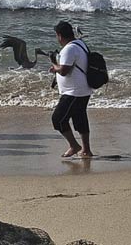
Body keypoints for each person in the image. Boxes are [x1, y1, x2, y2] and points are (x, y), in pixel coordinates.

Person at [49, 20, 94, 158]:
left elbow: (64, 71)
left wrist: (53, 67)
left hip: (74, 92)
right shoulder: (80, 44)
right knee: (80, 119)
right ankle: (86, 150)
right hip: (83, 89)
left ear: (60, 35)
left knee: (58, 119)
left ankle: (74, 145)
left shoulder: (69, 48)